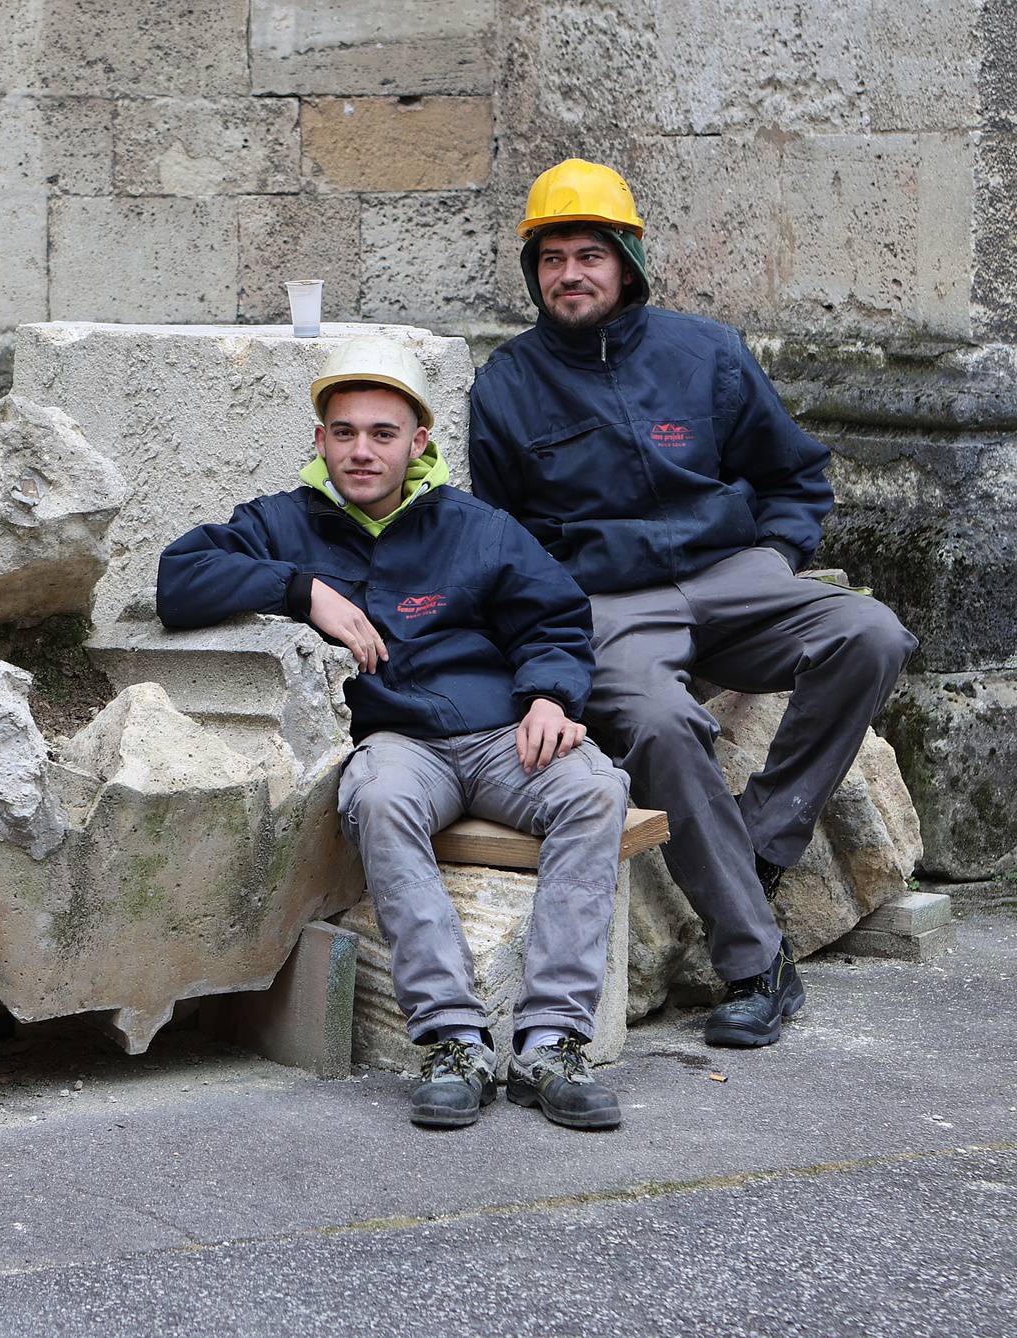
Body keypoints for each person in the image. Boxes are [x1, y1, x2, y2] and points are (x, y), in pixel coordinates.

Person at [468, 158, 917, 1050]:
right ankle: (756, 962)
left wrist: (774, 559)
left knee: (872, 632)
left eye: (588, 254)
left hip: (732, 577)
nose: (569, 274)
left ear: (627, 261)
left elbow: (795, 472)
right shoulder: (506, 386)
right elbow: (504, 547)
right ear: (532, 272)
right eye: (551, 257)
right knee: (662, 724)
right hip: (603, 603)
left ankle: (758, 843)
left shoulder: (705, 351)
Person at [158, 337, 631, 1132]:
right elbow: (180, 577)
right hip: (398, 745)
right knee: (375, 796)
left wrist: (549, 696)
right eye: (344, 432)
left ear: (419, 442)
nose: (361, 450)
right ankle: (453, 1039)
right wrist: (301, 587)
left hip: (501, 736)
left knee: (595, 787)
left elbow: (553, 616)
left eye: (383, 433)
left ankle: (551, 1041)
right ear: (319, 441)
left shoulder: (476, 527)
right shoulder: (282, 523)